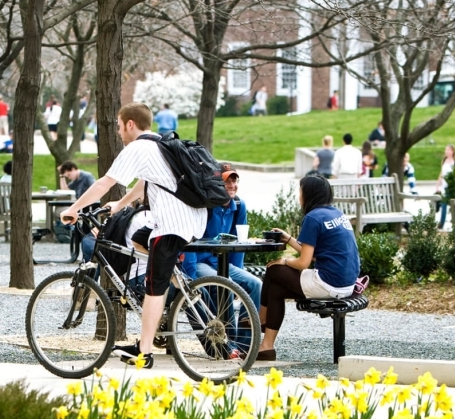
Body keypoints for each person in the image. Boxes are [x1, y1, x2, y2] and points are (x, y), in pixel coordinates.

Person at [59, 102, 207, 368]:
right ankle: (175, 296)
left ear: (130, 124)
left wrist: (73, 208)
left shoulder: (138, 147)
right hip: (191, 220)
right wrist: (119, 205)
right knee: (156, 264)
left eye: (118, 126)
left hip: (171, 224)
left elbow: (106, 181)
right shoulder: (161, 144)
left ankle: (144, 351)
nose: (118, 132)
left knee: (154, 286)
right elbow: (144, 183)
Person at [260, 175, 359, 361]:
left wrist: (285, 261)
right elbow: (313, 254)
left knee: (273, 270)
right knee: (275, 289)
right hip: (346, 283)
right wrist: (288, 239)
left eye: (300, 191)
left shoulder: (313, 217)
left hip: (329, 284)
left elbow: (303, 263)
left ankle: (261, 320)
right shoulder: (336, 213)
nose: (299, 196)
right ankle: (266, 347)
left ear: (309, 194)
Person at [181, 163, 262, 311]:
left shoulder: (239, 205)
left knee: (256, 284)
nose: (232, 185)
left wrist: (239, 278)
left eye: (235, 181)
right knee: (227, 283)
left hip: (221, 263)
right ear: (217, 184)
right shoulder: (205, 206)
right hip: (199, 263)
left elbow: (237, 244)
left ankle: (246, 334)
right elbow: (189, 241)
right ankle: (227, 334)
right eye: (227, 181)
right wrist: (190, 276)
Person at [436, 145, 455, 229]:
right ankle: (441, 223)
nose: (446, 151)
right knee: (443, 204)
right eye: (446, 150)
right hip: (444, 186)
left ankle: (454, 222)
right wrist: (438, 184)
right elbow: (441, 173)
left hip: (451, 186)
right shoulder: (444, 160)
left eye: (449, 150)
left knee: (452, 204)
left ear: (453, 151)